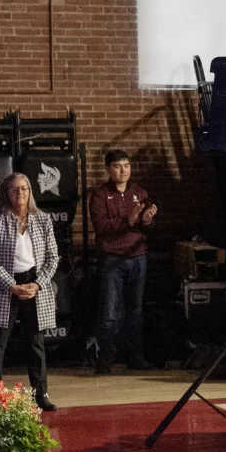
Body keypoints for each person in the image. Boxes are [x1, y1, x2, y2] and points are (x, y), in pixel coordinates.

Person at [0, 171, 61, 411]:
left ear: (31, 192)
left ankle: (41, 395)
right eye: (15, 189)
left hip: (34, 285)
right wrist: (11, 285)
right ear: (7, 193)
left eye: (25, 188)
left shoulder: (43, 220)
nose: (21, 193)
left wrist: (37, 284)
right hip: (4, 287)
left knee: (36, 346)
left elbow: (52, 257)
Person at [88, 148, 157, 374]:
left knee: (135, 311)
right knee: (109, 311)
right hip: (112, 260)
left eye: (126, 166)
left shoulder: (140, 193)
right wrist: (128, 220)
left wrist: (146, 221)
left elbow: (148, 228)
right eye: (117, 166)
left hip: (138, 258)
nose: (123, 170)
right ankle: (106, 357)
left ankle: (134, 356)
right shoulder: (99, 195)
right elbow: (102, 227)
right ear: (109, 169)